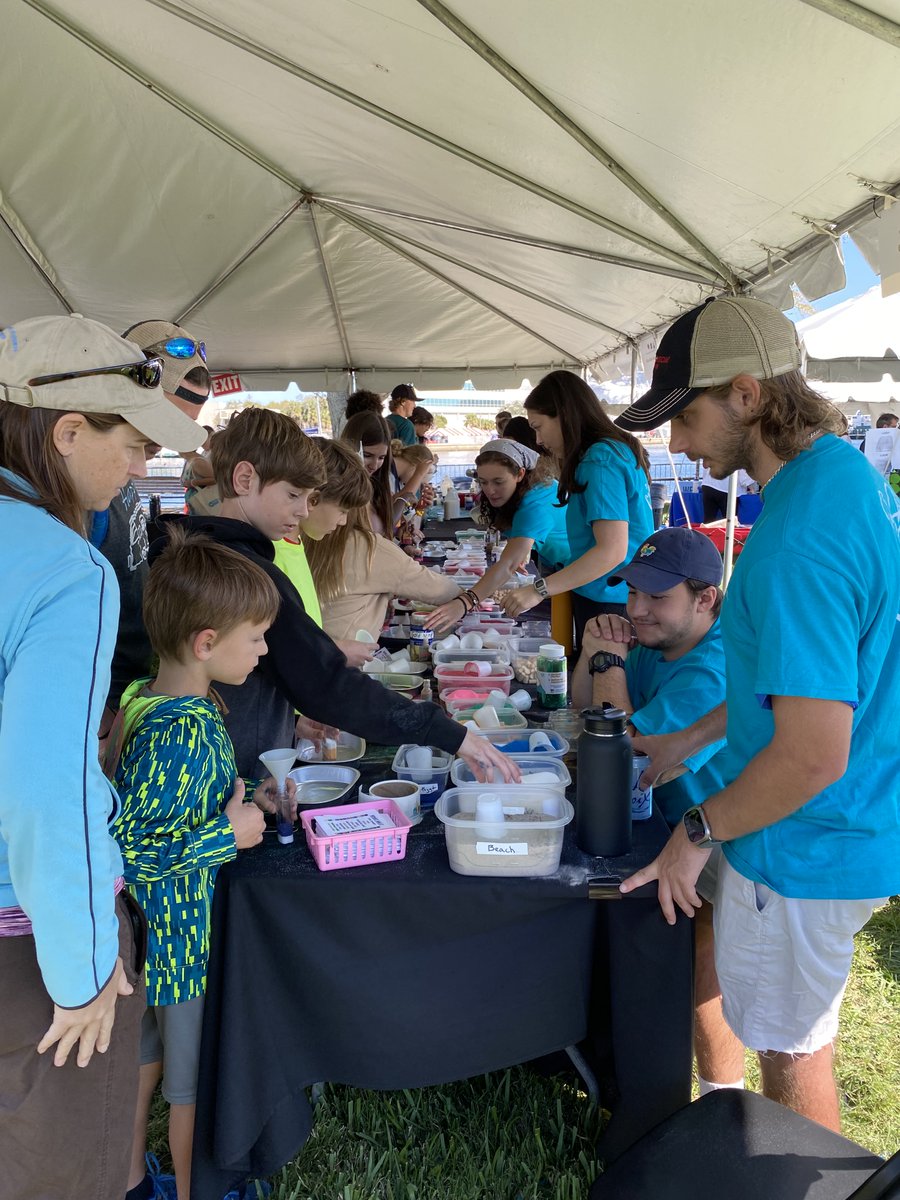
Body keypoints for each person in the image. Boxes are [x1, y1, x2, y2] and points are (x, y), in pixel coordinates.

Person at [616, 295, 900, 1131]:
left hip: (806, 838)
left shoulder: (796, 538)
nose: (675, 444)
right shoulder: (843, 477)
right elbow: (784, 681)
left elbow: (811, 753)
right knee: (794, 1029)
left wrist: (693, 830)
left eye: (687, 416)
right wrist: (691, 736)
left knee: (791, 1043)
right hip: (850, 818)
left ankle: (800, 1180)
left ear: (747, 395)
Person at [0, 313, 201, 1200]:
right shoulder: (63, 570)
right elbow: (51, 790)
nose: (141, 468)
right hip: (26, 941)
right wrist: (83, 976)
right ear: (67, 431)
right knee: (61, 1169)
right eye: (131, 443)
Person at [178, 407, 517, 784]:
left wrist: (292, 716)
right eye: (294, 495)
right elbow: (324, 680)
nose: (303, 510)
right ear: (244, 479)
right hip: (231, 772)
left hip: (247, 765)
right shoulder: (244, 570)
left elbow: (290, 670)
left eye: (309, 498)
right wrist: (451, 734)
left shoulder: (232, 552)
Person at [110, 533, 283, 1200]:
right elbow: (135, 853)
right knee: (189, 1089)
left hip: (150, 938)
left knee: (144, 1065)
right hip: (179, 945)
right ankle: (194, 1191)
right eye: (258, 637)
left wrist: (250, 798)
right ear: (206, 643)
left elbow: (170, 805)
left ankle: (127, 1182)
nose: (264, 651)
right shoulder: (178, 730)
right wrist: (226, 835)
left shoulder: (147, 700)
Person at [570, 527, 744, 1094]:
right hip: (660, 822)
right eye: (631, 593)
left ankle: (723, 1100)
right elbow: (583, 709)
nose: (637, 610)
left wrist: (607, 663)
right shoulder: (656, 641)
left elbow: (626, 755)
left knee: (701, 969)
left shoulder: (710, 666)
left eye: (656, 597)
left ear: (705, 599)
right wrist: (597, 655)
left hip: (719, 839)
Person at [97, 320, 211, 722]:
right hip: (102, 701)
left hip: (133, 686)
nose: (151, 457)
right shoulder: (84, 488)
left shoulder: (124, 471)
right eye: (159, 422)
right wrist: (100, 711)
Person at [504, 370, 653, 648]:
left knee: (605, 685)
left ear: (563, 415)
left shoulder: (600, 459)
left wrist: (538, 590)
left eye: (538, 426)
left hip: (611, 598)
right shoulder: (612, 450)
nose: (537, 440)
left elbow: (611, 550)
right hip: (613, 592)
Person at [425, 438, 569, 631]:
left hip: (590, 578)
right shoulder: (524, 490)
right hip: (562, 568)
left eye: (498, 482)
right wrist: (521, 552)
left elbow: (508, 564)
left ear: (520, 474)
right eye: (483, 482)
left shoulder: (537, 501)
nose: (490, 490)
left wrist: (466, 602)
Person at [304, 494, 462, 642]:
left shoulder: (308, 538)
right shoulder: (370, 547)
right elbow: (444, 592)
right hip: (343, 663)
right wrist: (472, 597)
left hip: (316, 654)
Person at [278, 437, 378, 667]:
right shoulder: (271, 555)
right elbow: (276, 648)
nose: (343, 521)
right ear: (313, 498)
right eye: (342, 510)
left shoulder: (297, 544)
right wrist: (334, 650)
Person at [340, 411, 395, 535]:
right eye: (367, 455)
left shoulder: (378, 489)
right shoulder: (339, 492)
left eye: (381, 458)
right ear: (351, 449)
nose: (374, 465)